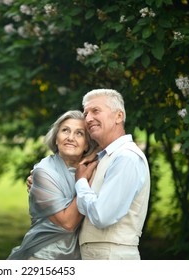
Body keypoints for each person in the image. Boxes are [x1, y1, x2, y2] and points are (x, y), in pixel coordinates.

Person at [7, 110, 98, 260]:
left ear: (87, 144)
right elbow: (67, 224)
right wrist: (84, 181)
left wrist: (93, 158)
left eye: (79, 133)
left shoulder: (94, 169)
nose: (70, 138)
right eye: (65, 130)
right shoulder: (43, 171)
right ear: (56, 138)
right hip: (43, 258)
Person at [74, 88, 151, 260]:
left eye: (95, 111)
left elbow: (102, 216)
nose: (88, 118)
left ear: (118, 116)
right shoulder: (105, 158)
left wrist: (80, 182)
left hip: (112, 257)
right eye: (85, 113)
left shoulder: (126, 157)